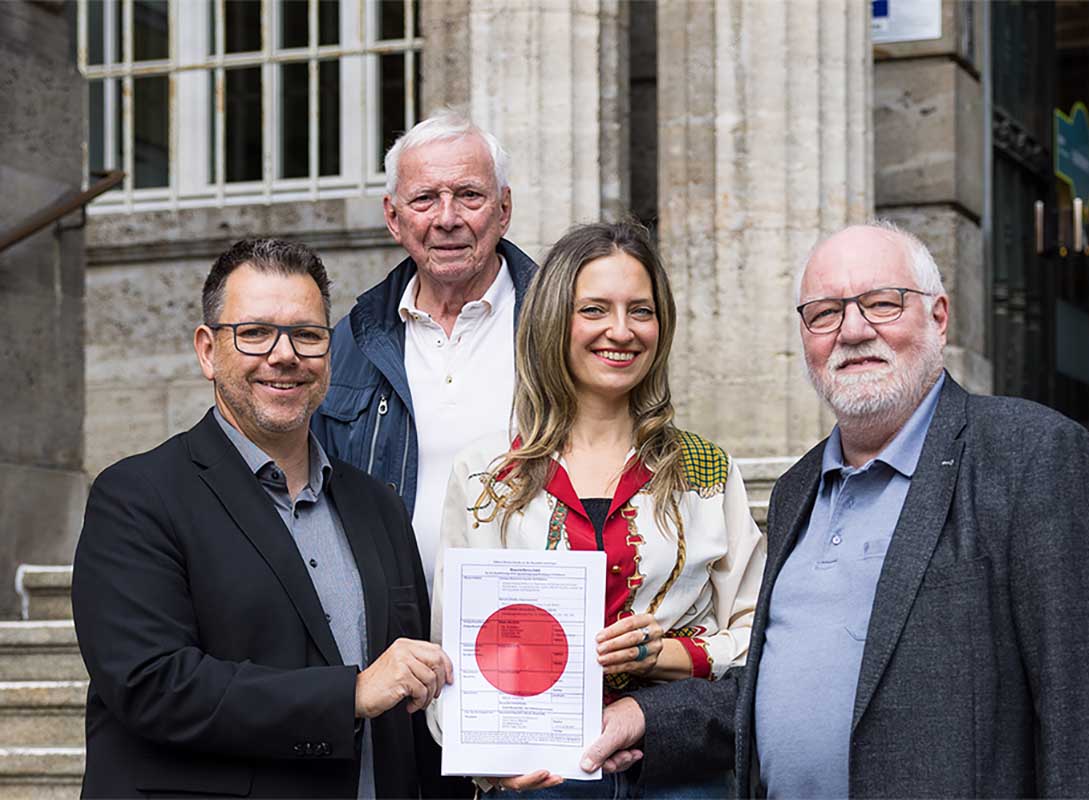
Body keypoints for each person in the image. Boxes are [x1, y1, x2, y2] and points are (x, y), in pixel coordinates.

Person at [585, 221, 1089, 797]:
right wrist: (645, 718)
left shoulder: (1030, 456)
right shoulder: (798, 489)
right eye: (825, 313)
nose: (853, 331)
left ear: (938, 316)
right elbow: (778, 690)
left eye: (882, 304)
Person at [72, 239, 454, 798]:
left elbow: (412, 693)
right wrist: (348, 695)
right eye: (253, 333)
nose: (284, 355)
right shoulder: (136, 497)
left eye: (307, 334)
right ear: (207, 351)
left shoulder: (380, 508)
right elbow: (152, 684)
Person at [430, 220, 766, 797]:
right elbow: (452, 656)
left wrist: (667, 653)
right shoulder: (487, 476)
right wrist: (488, 765)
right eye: (594, 309)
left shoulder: (705, 470)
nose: (621, 330)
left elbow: (757, 636)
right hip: (540, 781)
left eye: (641, 310)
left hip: (680, 774)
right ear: (554, 320)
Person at [312, 110, 538, 596]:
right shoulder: (352, 340)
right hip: (391, 635)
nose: (447, 218)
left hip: (532, 630)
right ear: (394, 217)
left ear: (503, 209)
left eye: (469, 196)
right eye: (425, 199)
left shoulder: (558, 324)